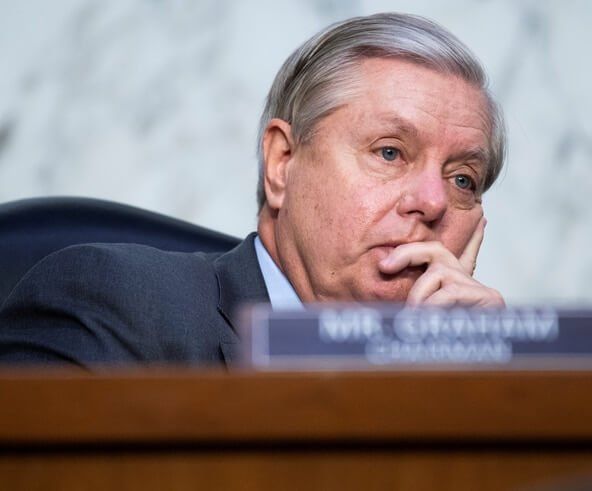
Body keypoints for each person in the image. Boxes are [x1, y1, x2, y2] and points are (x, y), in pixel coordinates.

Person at [0, 13, 505, 367]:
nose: (434, 202)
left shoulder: (479, 376)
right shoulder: (112, 304)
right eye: (390, 152)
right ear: (282, 163)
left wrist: (481, 391)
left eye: (462, 179)